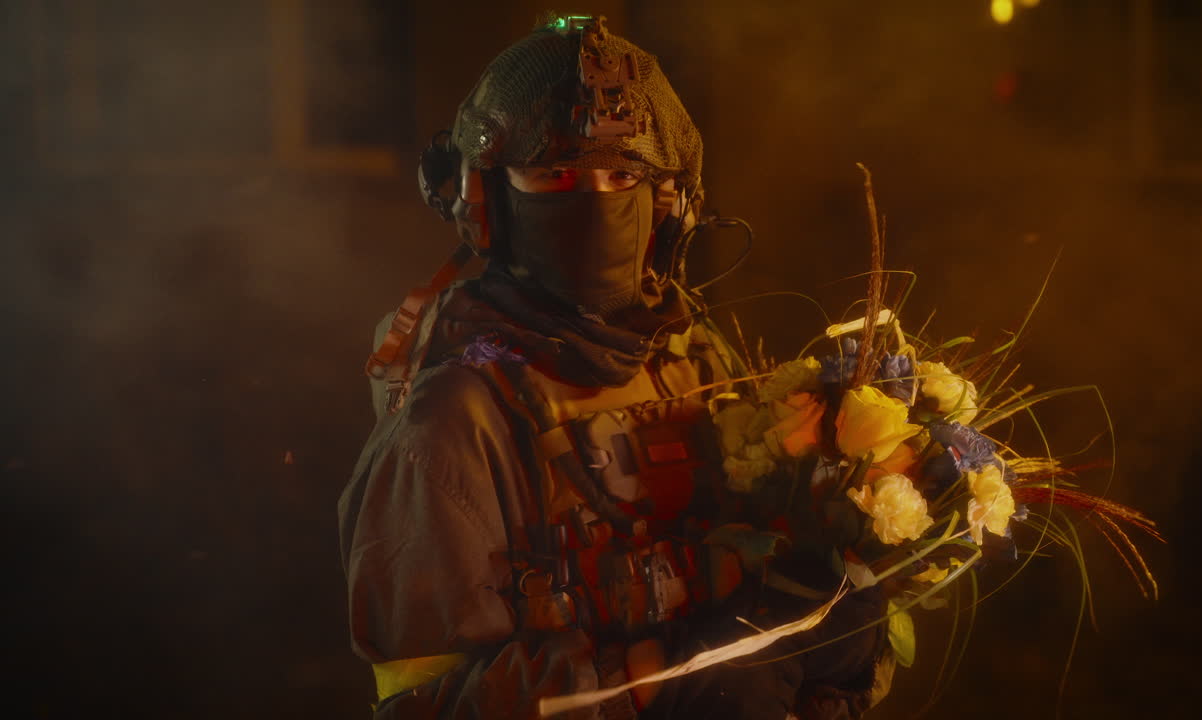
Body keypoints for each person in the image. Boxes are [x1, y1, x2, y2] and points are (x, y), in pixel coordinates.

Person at [339, 16, 891, 719]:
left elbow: (771, 586)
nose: (596, 199)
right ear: (487, 202)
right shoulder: (453, 419)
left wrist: (825, 631)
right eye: (554, 174)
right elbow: (422, 707)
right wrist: (665, 686)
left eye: (624, 174)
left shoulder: (696, 360)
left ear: (669, 204)